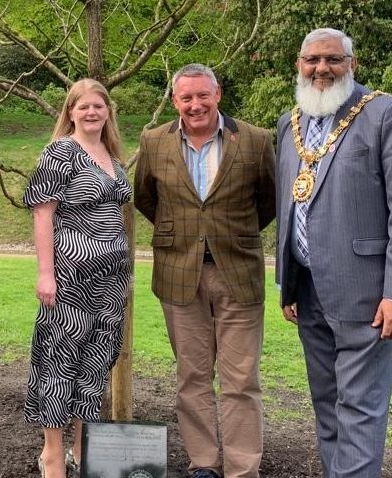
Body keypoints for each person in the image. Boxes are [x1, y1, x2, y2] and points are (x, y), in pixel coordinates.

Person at [275, 28, 392, 478]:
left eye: (333, 59)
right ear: (299, 64)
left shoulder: (389, 114)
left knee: (360, 408)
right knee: (326, 403)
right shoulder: (292, 123)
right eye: (312, 60)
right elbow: (292, 203)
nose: (321, 68)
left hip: (369, 295)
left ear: (352, 64)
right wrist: (289, 282)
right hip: (309, 292)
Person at [134, 64, 275, 478]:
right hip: (179, 276)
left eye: (202, 96)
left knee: (241, 380)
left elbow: (267, 201)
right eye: (186, 98)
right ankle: (203, 464)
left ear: (218, 95)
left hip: (238, 274)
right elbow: (147, 198)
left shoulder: (254, 139)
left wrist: (230, 235)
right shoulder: (154, 141)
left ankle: (241, 469)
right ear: (175, 101)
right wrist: (185, 235)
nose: (195, 105)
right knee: (191, 376)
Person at [24, 78, 133, 478]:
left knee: (97, 361)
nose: (91, 112)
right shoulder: (60, 153)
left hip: (112, 282)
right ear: (70, 111)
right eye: (82, 106)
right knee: (61, 362)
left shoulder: (112, 155)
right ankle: (52, 453)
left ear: (108, 112)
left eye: (98, 106)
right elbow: (42, 213)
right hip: (70, 278)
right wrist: (45, 273)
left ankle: (81, 447)